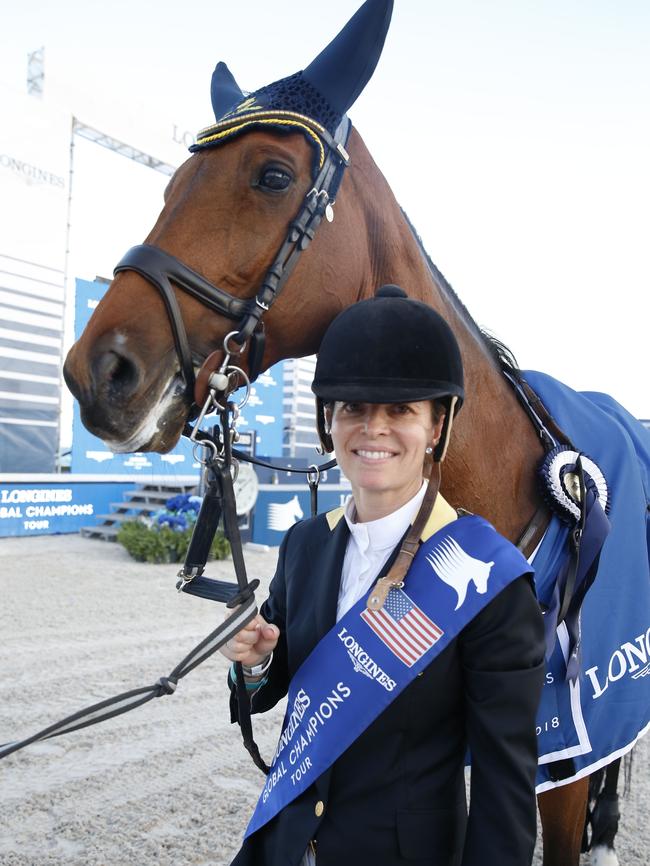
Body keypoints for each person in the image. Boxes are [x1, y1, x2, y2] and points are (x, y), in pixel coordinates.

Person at [221, 285, 545, 866]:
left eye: (400, 410)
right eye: (353, 408)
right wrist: (258, 664)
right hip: (287, 846)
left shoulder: (492, 582)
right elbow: (275, 688)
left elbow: (505, 783)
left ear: (436, 427)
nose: (373, 429)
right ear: (329, 422)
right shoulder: (305, 546)